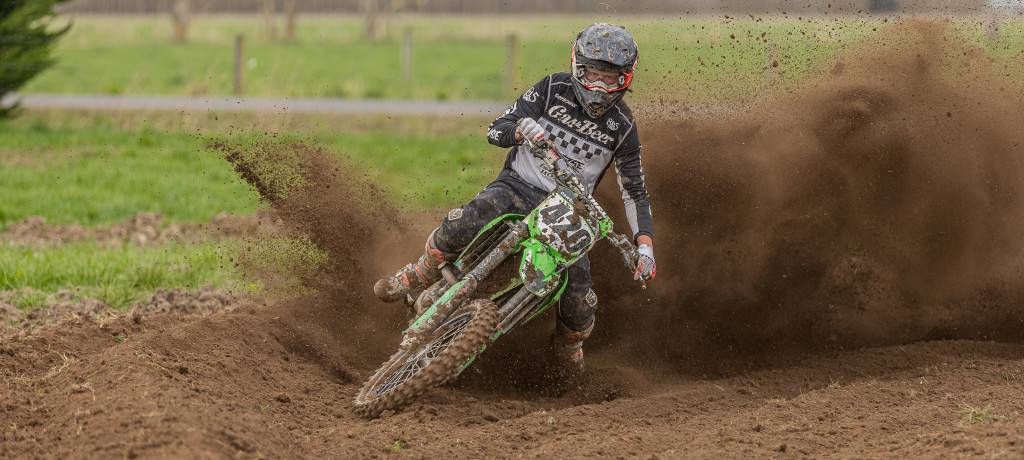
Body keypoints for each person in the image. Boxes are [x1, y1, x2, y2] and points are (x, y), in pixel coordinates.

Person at [374, 22, 656, 379]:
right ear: (577, 66)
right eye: (592, 75)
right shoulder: (552, 88)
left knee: (580, 299)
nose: (599, 87)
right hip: (519, 186)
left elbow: (635, 191)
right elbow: (496, 129)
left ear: (625, 79)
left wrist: (644, 247)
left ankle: (569, 350)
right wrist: (521, 131)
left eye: (610, 79)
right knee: (465, 221)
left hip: (569, 212)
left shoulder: (624, 125)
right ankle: (420, 272)